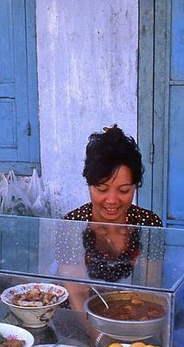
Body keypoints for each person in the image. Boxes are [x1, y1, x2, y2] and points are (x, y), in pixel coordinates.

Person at [56, 125, 162, 313]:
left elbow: (149, 290)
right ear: (89, 185)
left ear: (135, 186)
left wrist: (131, 329)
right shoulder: (72, 224)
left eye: (124, 190)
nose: (112, 200)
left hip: (132, 315)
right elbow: (77, 293)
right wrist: (96, 335)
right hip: (80, 318)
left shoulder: (148, 223)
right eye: (102, 189)